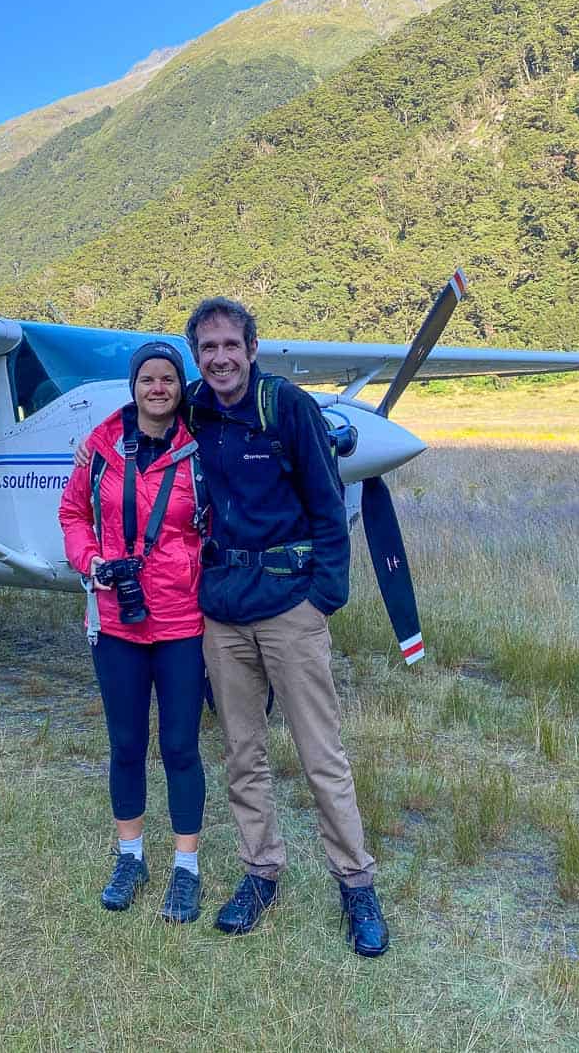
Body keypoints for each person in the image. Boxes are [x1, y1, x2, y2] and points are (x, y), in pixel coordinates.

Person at [185, 296, 389, 957]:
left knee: (320, 753)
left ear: (251, 348)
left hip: (289, 609)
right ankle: (260, 870)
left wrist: (320, 600)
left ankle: (356, 882)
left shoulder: (289, 408)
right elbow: (136, 425)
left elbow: (330, 509)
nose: (219, 357)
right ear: (198, 356)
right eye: (207, 348)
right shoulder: (194, 408)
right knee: (243, 754)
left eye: (229, 345)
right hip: (223, 610)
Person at [58, 341, 208, 923]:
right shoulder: (98, 447)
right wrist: (90, 560)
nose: (158, 389)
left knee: (179, 746)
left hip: (181, 620)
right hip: (116, 618)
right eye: (148, 379)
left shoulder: (197, 452)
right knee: (125, 745)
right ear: (133, 386)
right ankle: (130, 856)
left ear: (180, 387)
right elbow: (73, 515)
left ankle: (186, 868)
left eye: (168, 379)